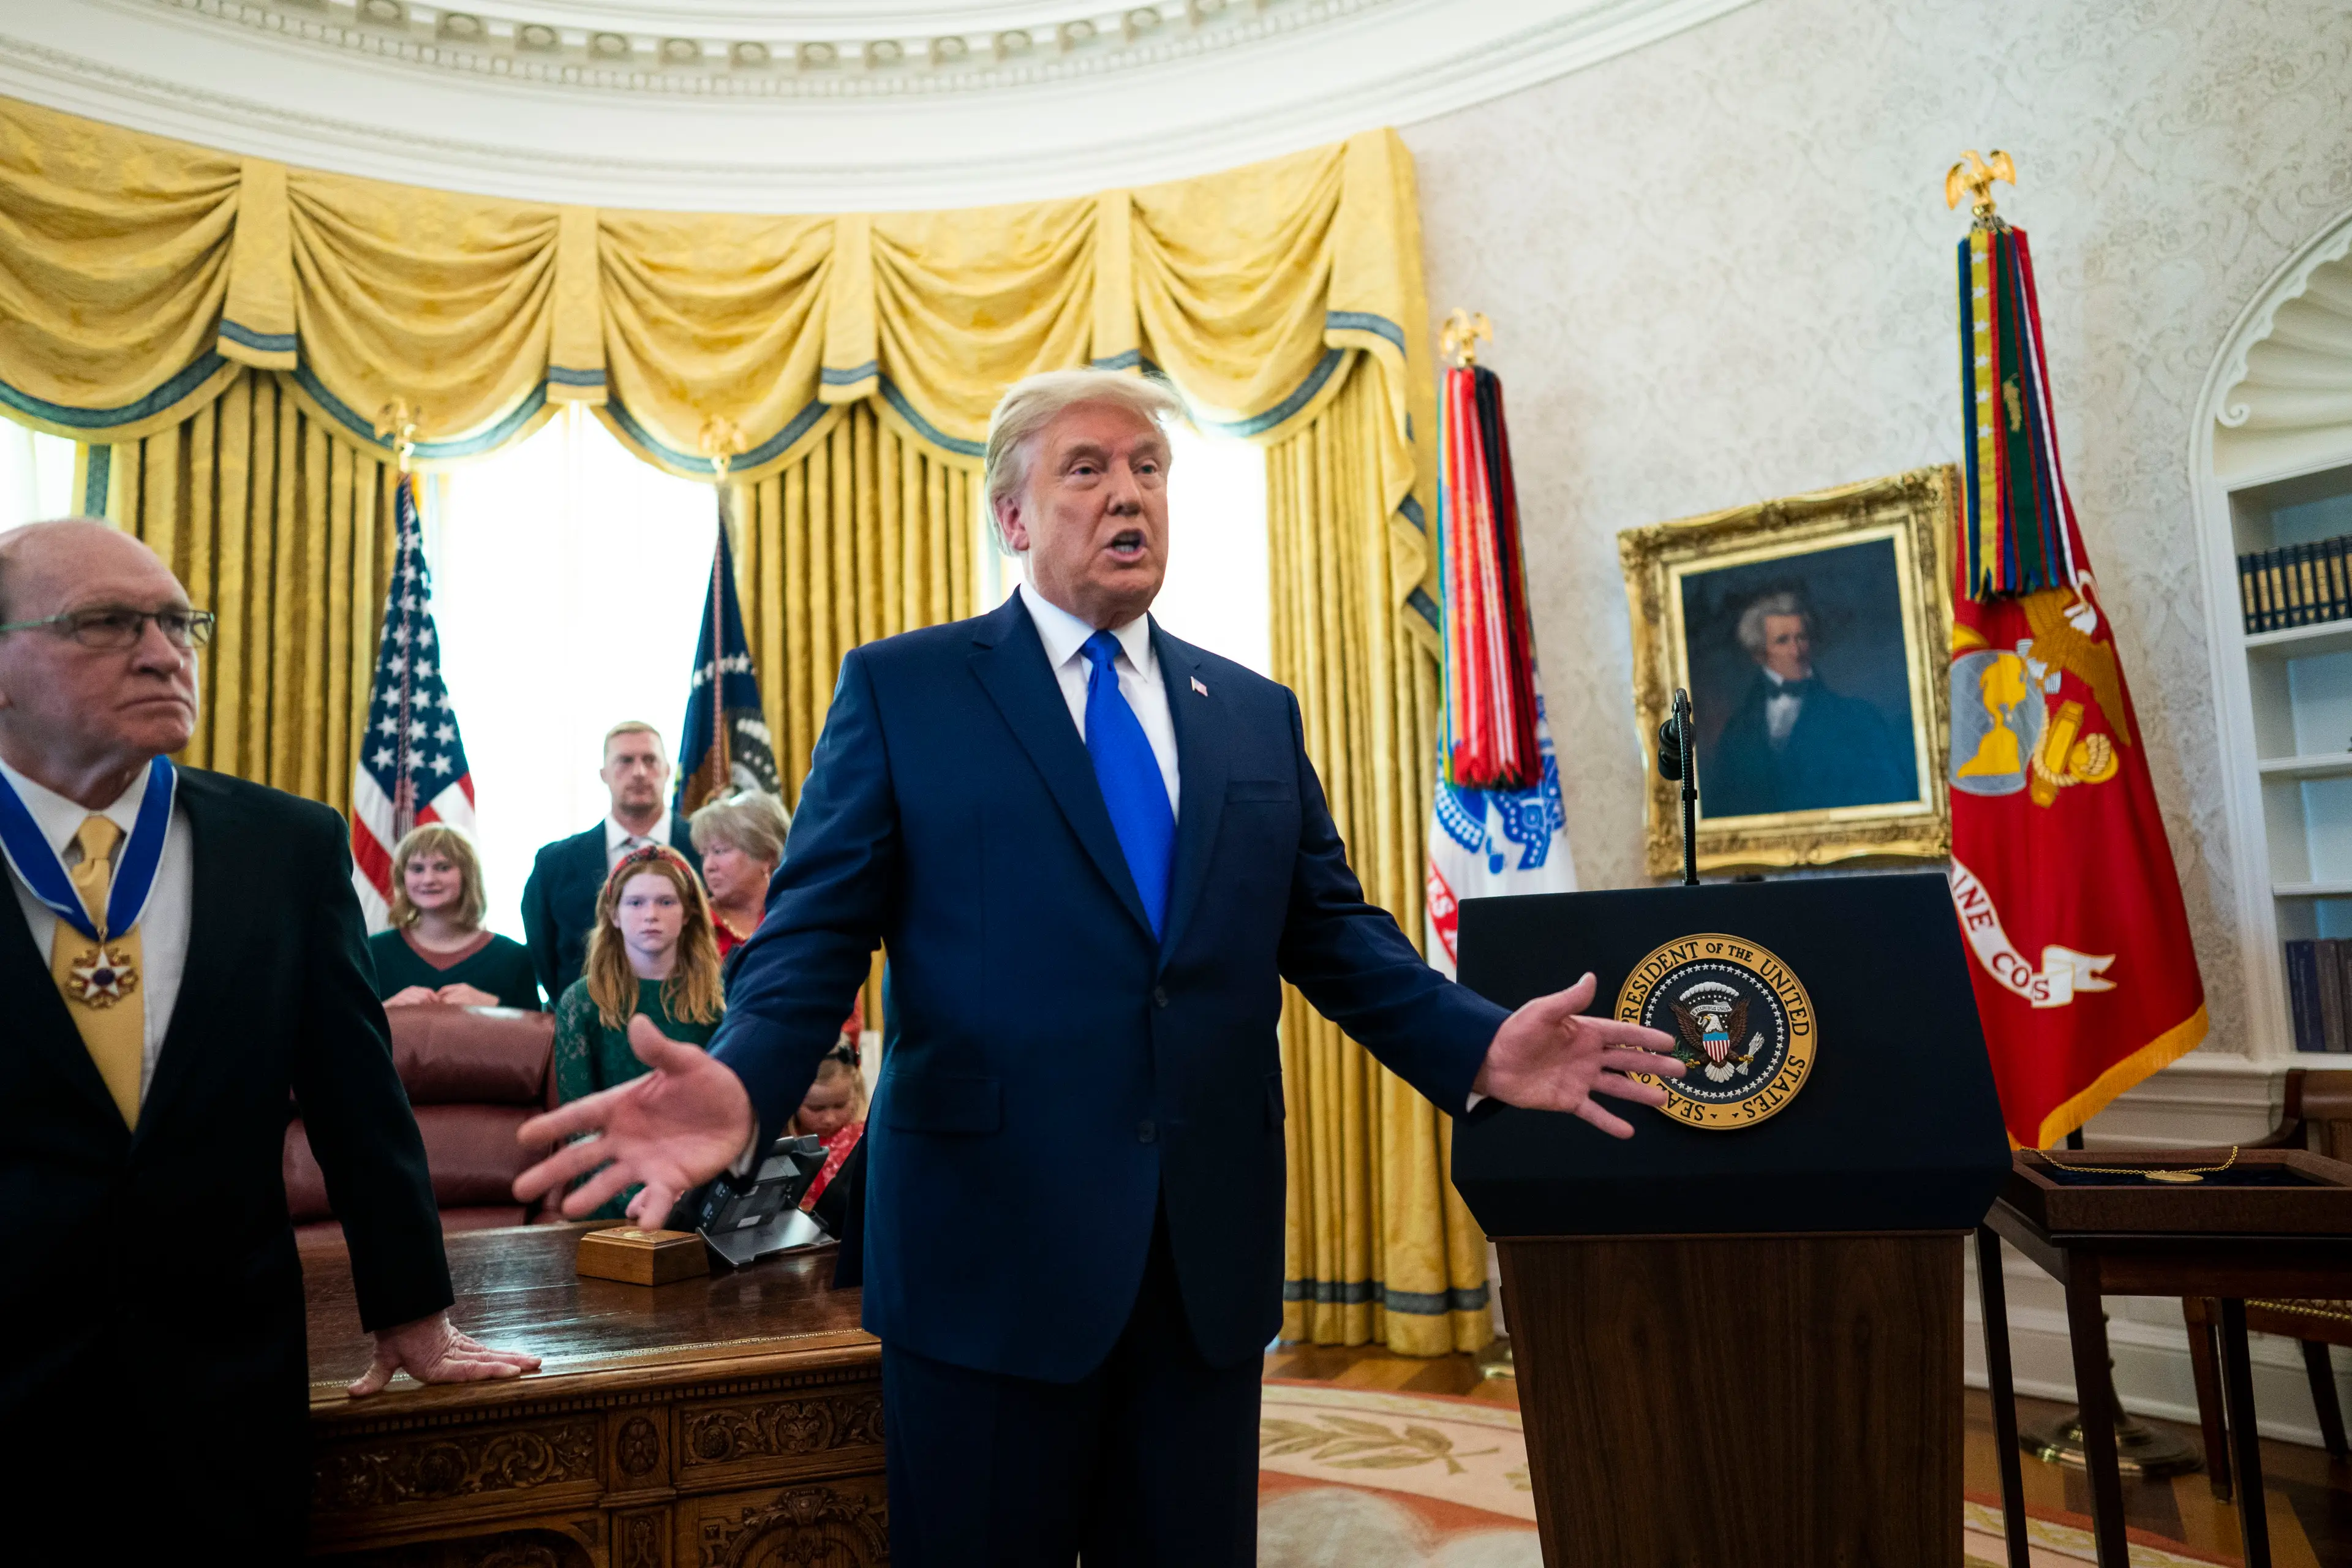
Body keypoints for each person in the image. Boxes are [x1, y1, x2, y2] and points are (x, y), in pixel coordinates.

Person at [514, 369, 1681, 1566]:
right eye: (1088, 468)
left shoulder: (1253, 713)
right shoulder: (907, 690)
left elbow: (1335, 933)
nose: (1129, 493)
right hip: (986, 1256)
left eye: (1149, 468)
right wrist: (744, 1078)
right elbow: (815, 930)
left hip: (1201, 1262)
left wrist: (1478, 1043)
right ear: (1013, 515)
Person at [0, 519, 538, 1559]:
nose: (164, 653)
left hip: (224, 1386)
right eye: (107, 623)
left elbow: (355, 1097)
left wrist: (413, 1309)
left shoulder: (284, 845)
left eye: (178, 623)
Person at [551, 843, 724, 1220]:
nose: (651, 915)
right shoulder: (582, 1001)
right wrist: (637, 1191)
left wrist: (684, 1186)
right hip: (612, 1189)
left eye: (666, 902)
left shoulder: (721, 999)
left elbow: (725, 1113)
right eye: (636, 903)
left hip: (701, 1184)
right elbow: (582, 1126)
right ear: (613, 914)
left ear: (689, 912)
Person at [521, 720, 703, 1004]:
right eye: (625, 761)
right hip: (588, 1017)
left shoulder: (707, 850)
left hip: (695, 1012)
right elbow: (542, 954)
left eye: (650, 760)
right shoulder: (554, 864)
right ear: (604, 774)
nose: (639, 772)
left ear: (668, 771)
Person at [1702, 590, 1917, 818]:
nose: (1796, 651)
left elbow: (1887, 795)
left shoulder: (1858, 719)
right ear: (1759, 654)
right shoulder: (1737, 731)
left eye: (1801, 638)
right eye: (1783, 641)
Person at [369, 821, 541, 1010]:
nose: (428, 880)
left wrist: (496, 1007)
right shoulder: (372, 953)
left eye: (443, 868)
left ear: (467, 875)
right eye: (417, 869)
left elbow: (538, 1026)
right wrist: (384, 1010)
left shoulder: (514, 958)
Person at [690, 788, 791, 963]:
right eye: (704, 855)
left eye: (719, 851)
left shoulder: (794, 917)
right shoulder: (693, 923)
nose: (708, 866)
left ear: (767, 857)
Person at [789, 1036, 867, 1211]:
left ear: (855, 1093)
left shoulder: (864, 1141)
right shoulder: (779, 1146)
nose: (830, 1119)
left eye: (840, 1106)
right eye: (816, 1109)